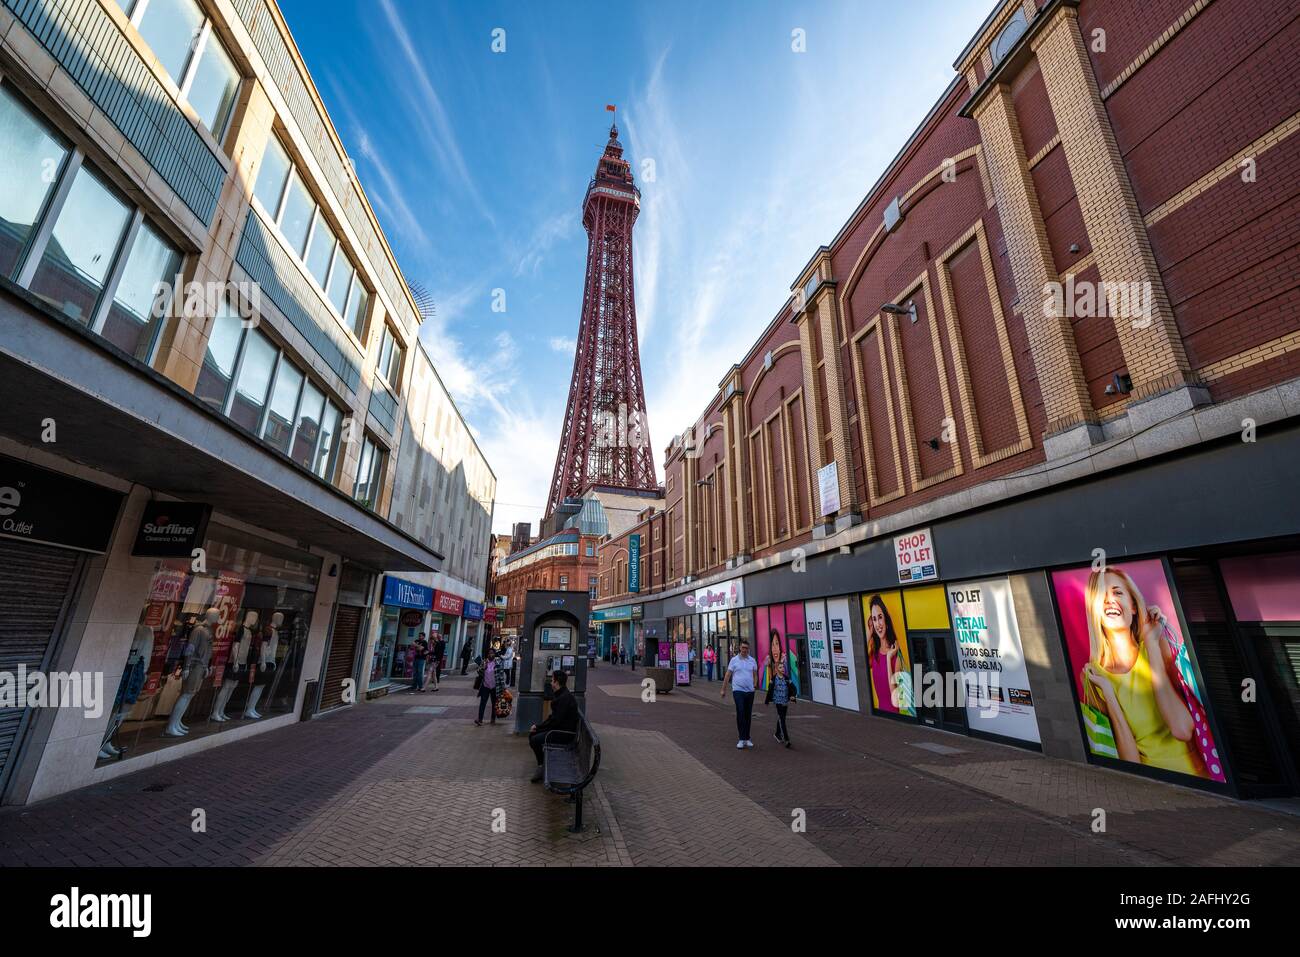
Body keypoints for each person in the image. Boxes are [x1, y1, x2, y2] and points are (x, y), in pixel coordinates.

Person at [1080, 565, 1214, 777]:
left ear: (1133, 606)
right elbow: (1131, 765)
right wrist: (1110, 696)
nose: (1109, 600)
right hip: (1149, 785)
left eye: (1117, 592)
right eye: (1101, 595)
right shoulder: (1093, 676)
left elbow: (1181, 729)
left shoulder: (1157, 645)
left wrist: (1151, 645)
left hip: (1198, 780)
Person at [528, 670, 579, 783]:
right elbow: (553, 719)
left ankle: (542, 766)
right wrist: (538, 727)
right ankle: (542, 765)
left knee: (534, 739)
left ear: (556, 682)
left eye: (552, 680)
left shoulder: (563, 698)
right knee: (533, 735)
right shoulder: (562, 695)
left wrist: (539, 727)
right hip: (560, 730)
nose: (551, 683)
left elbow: (555, 721)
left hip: (563, 734)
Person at [867, 595, 911, 715]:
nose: (878, 624)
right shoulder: (874, 653)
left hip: (895, 716)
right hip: (880, 715)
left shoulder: (895, 654)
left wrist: (888, 659)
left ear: (886, 620)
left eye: (880, 617)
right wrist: (869, 635)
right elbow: (859, 664)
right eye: (874, 619)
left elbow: (895, 697)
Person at [720, 639, 758, 749]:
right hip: (738, 690)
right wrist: (723, 689)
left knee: (747, 714)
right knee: (740, 712)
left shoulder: (752, 660)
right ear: (740, 648)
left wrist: (755, 685)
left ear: (748, 649)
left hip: (750, 691)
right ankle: (741, 738)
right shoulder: (734, 660)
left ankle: (747, 738)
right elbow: (728, 675)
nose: (744, 650)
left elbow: (755, 674)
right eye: (743, 647)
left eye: (746, 648)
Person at [764, 636, 796, 748]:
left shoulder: (787, 679)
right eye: (781, 668)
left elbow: (793, 688)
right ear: (777, 669)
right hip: (777, 701)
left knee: (781, 717)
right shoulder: (773, 679)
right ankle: (786, 739)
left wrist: (793, 696)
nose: (783, 669)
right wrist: (767, 701)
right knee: (782, 719)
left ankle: (777, 733)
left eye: (783, 667)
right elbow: (770, 690)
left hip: (785, 701)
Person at [473, 649, 504, 725]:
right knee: (482, 703)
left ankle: (493, 719)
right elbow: (479, 672)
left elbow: (501, 676)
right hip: (485, 686)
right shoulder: (484, 662)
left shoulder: (498, 662)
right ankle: (480, 719)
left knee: (494, 703)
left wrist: (503, 687)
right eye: (489, 653)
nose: (491, 655)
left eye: (492, 653)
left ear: (494, 654)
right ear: (487, 654)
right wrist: (484, 667)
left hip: (495, 687)